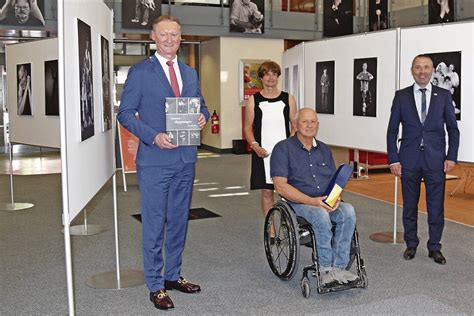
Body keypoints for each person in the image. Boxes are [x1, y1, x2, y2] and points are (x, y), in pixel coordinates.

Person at [117, 15, 209, 310]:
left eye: (175, 35)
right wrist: (152, 136)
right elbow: (125, 113)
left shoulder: (189, 72)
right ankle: (155, 284)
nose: (170, 39)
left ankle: (173, 276)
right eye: (163, 35)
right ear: (153, 38)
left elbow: (201, 104)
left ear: (181, 38)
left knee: (179, 221)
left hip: (185, 159)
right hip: (155, 160)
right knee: (155, 223)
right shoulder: (141, 72)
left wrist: (202, 116)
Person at [270, 108, 358, 285]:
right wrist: (312, 201)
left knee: (348, 211)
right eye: (304, 121)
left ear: (317, 125)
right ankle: (325, 269)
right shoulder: (283, 148)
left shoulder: (324, 149)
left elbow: (335, 181)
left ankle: (339, 268)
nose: (309, 125)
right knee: (320, 215)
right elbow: (280, 186)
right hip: (298, 202)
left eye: (313, 122)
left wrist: (336, 198)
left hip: (324, 200)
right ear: (295, 125)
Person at [387, 54, 459, 265]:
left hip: (436, 161)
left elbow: (453, 131)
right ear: (412, 70)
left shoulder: (444, 96)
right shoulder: (401, 96)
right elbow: (392, 131)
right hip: (408, 160)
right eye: (418, 67)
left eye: (426, 67)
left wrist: (451, 157)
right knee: (409, 205)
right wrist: (393, 159)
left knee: (436, 207)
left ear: (433, 70)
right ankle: (411, 243)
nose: (422, 71)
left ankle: (435, 247)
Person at [243, 61, 296, 222]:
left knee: (289, 190)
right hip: (263, 153)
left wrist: (289, 147)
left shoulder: (288, 98)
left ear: (278, 77)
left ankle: (291, 223)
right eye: (266, 74)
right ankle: (270, 227)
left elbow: (295, 126)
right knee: (267, 191)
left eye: (274, 74)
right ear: (261, 77)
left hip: (285, 153)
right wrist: (255, 146)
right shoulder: (254, 100)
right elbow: (247, 128)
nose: (270, 77)